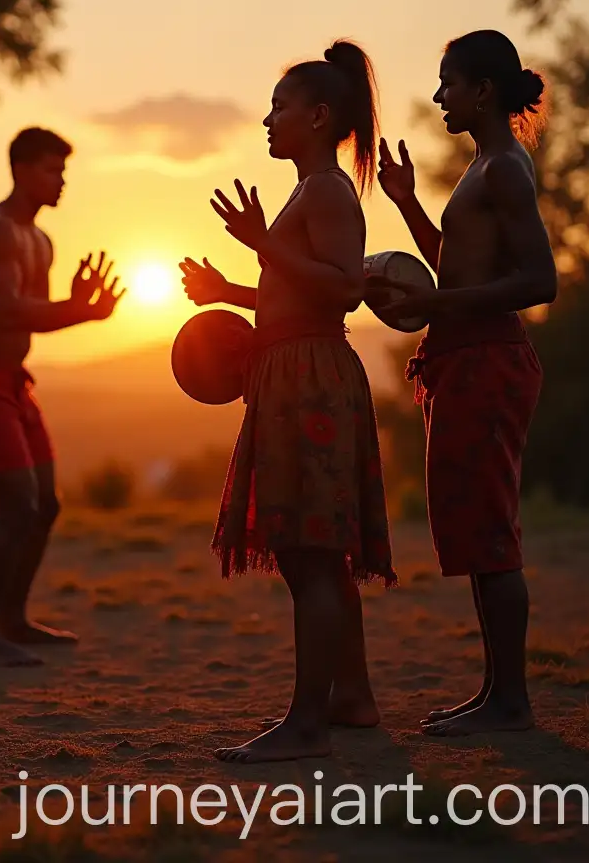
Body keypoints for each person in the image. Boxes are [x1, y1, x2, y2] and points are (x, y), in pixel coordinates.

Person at [179, 41, 397, 763]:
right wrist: (229, 292)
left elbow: (343, 288)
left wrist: (259, 242)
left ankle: (306, 723)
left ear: (320, 114)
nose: (267, 119)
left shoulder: (329, 189)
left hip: (311, 376)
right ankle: (352, 698)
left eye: (280, 107)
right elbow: (293, 291)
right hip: (289, 368)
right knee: (319, 557)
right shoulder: (308, 190)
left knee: (310, 556)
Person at [372, 29, 556, 736]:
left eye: (447, 82)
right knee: (478, 534)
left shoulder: (506, 168)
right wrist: (406, 202)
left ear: (482, 90)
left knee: (493, 534)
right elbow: (458, 267)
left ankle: (511, 702)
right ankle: (493, 695)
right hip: (462, 359)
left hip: (489, 360)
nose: (438, 95)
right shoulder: (482, 165)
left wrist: (432, 306)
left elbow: (539, 281)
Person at [0, 127, 124, 667]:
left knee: (45, 504)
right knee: (17, 505)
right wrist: (81, 308)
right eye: (52, 170)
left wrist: (78, 306)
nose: (61, 181)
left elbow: (36, 318)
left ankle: (11, 620)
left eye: (63, 171)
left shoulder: (41, 240)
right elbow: (6, 311)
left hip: (14, 382)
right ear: (20, 169)